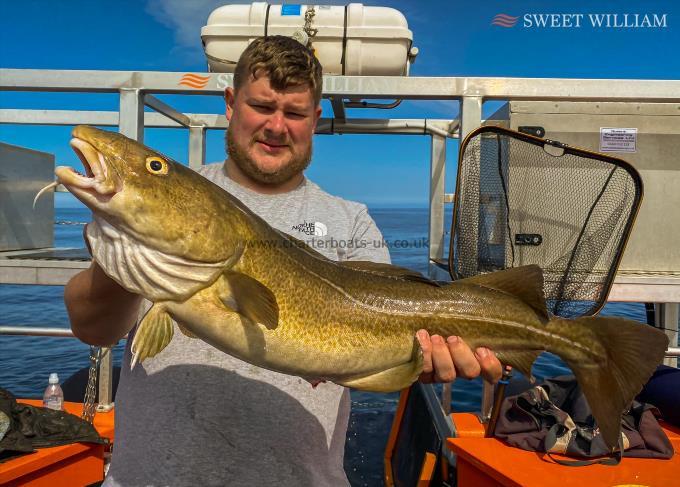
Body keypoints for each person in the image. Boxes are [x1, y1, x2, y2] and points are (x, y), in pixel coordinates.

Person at [65, 36, 501, 486]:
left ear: (314, 119)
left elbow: (376, 352)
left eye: (294, 113)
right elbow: (93, 328)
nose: (276, 126)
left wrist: (425, 358)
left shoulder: (352, 221)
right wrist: (129, 252)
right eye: (262, 106)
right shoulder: (171, 201)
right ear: (231, 104)